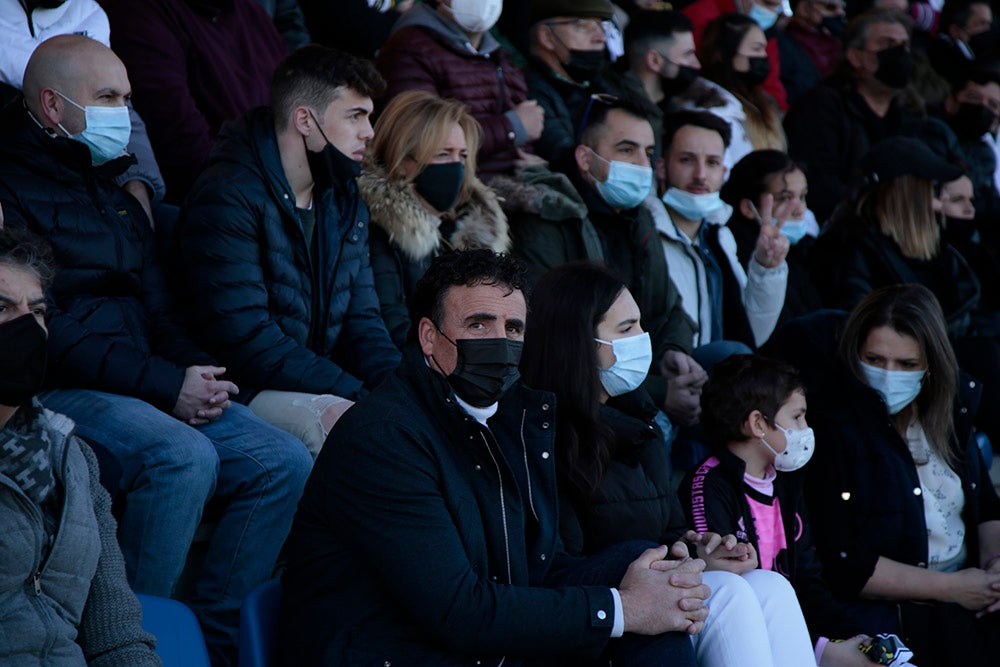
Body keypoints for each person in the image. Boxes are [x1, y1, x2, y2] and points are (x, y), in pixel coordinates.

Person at [0, 35, 312, 665]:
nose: (125, 113)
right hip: (64, 383)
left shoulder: (115, 190)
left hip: (141, 377)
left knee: (281, 460)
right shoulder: (8, 190)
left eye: (128, 97)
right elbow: (39, 325)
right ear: (54, 107)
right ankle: (137, 639)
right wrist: (164, 385)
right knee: (182, 458)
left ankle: (219, 641)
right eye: (109, 97)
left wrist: (196, 376)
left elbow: (159, 307)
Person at [279, 249, 712, 666]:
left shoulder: (516, 420)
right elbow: (458, 611)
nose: (501, 342)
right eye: (479, 325)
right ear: (429, 336)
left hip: (482, 649)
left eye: (514, 328)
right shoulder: (384, 439)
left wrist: (656, 582)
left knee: (646, 571)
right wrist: (621, 609)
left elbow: (541, 569)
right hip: (397, 653)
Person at [521, 260, 827, 667]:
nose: (643, 340)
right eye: (626, 329)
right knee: (730, 594)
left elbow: (668, 532)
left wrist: (702, 554)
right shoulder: (547, 436)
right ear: (578, 342)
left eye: (642, 326)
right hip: (609, 620)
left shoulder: (642, 428)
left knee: (770, 585)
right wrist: (676, 566)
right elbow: (564, 569)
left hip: (662, 591)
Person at [179, 45, 401, 456]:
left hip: (314, 378)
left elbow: (364, 323)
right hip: (238, 387)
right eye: (355, 116)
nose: (369, 132)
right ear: (305, 120)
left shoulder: (343, 198)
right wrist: (359, 391)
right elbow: (246, 340)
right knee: (345, 422)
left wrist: (403, 388)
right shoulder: (229, 194)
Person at [766, 284, 1000, 664]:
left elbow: (986, 504)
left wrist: (995, 571)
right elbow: (844, 562)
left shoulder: (950, 412)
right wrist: (953, 588)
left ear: (932, 364)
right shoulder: (834, 427)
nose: (888, 375)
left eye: (907, 365)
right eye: (874, 359)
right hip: (898, 614)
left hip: (970, 596)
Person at [0, 226, 160, 666]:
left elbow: (118, 635)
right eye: (2, 307)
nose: (26, 328)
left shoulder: (72, 459)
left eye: (37, 311)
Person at [508, 96, 706, 427]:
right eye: (627, 150)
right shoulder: (547, 220)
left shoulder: (639, 219)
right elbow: (553, 338)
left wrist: (675, 351)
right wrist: (658, 392)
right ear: (585, 158)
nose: (642, 165)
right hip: (578, 397)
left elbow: (670, 308)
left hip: (639, 377)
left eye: (648, 152)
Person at [682, 354, 886, 666]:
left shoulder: (787, 484)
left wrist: (854, 636)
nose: (806, 428)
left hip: (789, 631)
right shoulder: (708, 483)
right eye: (798, 417)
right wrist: (822, 650)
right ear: (759, 424)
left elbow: (808, 581)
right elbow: (724, 580)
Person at [360, 90, 509, 348]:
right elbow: (393, 331)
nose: (456, 167)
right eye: (442, 154)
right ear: (403, 159)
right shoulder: (378, 233)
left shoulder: (461, 233)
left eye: (462, 156)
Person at [99, 0, 288, 202]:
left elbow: (293, 97)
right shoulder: (139, 15)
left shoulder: (248, 10)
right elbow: (180, 137)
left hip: (274, 187)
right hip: (218, 201)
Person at [0, 0, 164, 221]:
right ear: (51, 103)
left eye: (124, 99)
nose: (119, 110)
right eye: (108, 98)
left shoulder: (89, 13)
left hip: (90, 184)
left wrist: (136, 184)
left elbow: (111, 98)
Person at [650, 110, 789, 352]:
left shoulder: (721, 237)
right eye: (686, 160)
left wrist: (766, 269)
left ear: (723, 173)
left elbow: (750, 332)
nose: (700, 175)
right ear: (662, 167)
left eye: (712, 162)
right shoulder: (645, 233)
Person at [375, 0, 544, 179]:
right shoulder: (409, 48)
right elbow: (418, 139)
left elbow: (525, 137)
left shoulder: (500, 56)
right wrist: (511, 127)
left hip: (508, 191)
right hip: (459, 194)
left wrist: (534, 165)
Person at [784, 8, 922, 222]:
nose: (900, 54)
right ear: (855, 56)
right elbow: (819, 184)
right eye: (887, 44)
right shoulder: (821, 106)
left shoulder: (910, 115)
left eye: (904, 46)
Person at [720, 149, 823, 325]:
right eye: (785, 198)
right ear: (748, 207)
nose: (799, 209)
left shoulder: (806, 249)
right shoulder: (732, 252)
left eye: (802, 197)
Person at [524, 0, 619, 166]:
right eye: (582, 26)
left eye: (601, 26)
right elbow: (568, 160)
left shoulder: (598, 85)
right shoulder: (528, 89)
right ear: (547, 37)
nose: (601, 37)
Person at [682, 0, 790, 111]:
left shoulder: (766, 32)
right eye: (766, 3)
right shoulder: (702, 15)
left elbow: (772, 85)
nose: (772, 12)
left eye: (779, 6)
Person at [777, 0, 846, 105]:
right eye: (830, 7)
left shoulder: (837, 42)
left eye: (842, 7)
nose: (840, 13)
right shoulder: (781, 43)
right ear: (803, 7)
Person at [927, 0, 994, 82]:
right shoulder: (943, 57)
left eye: (989, 24)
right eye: (982, 23)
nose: (987, 29)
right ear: (955, 30)